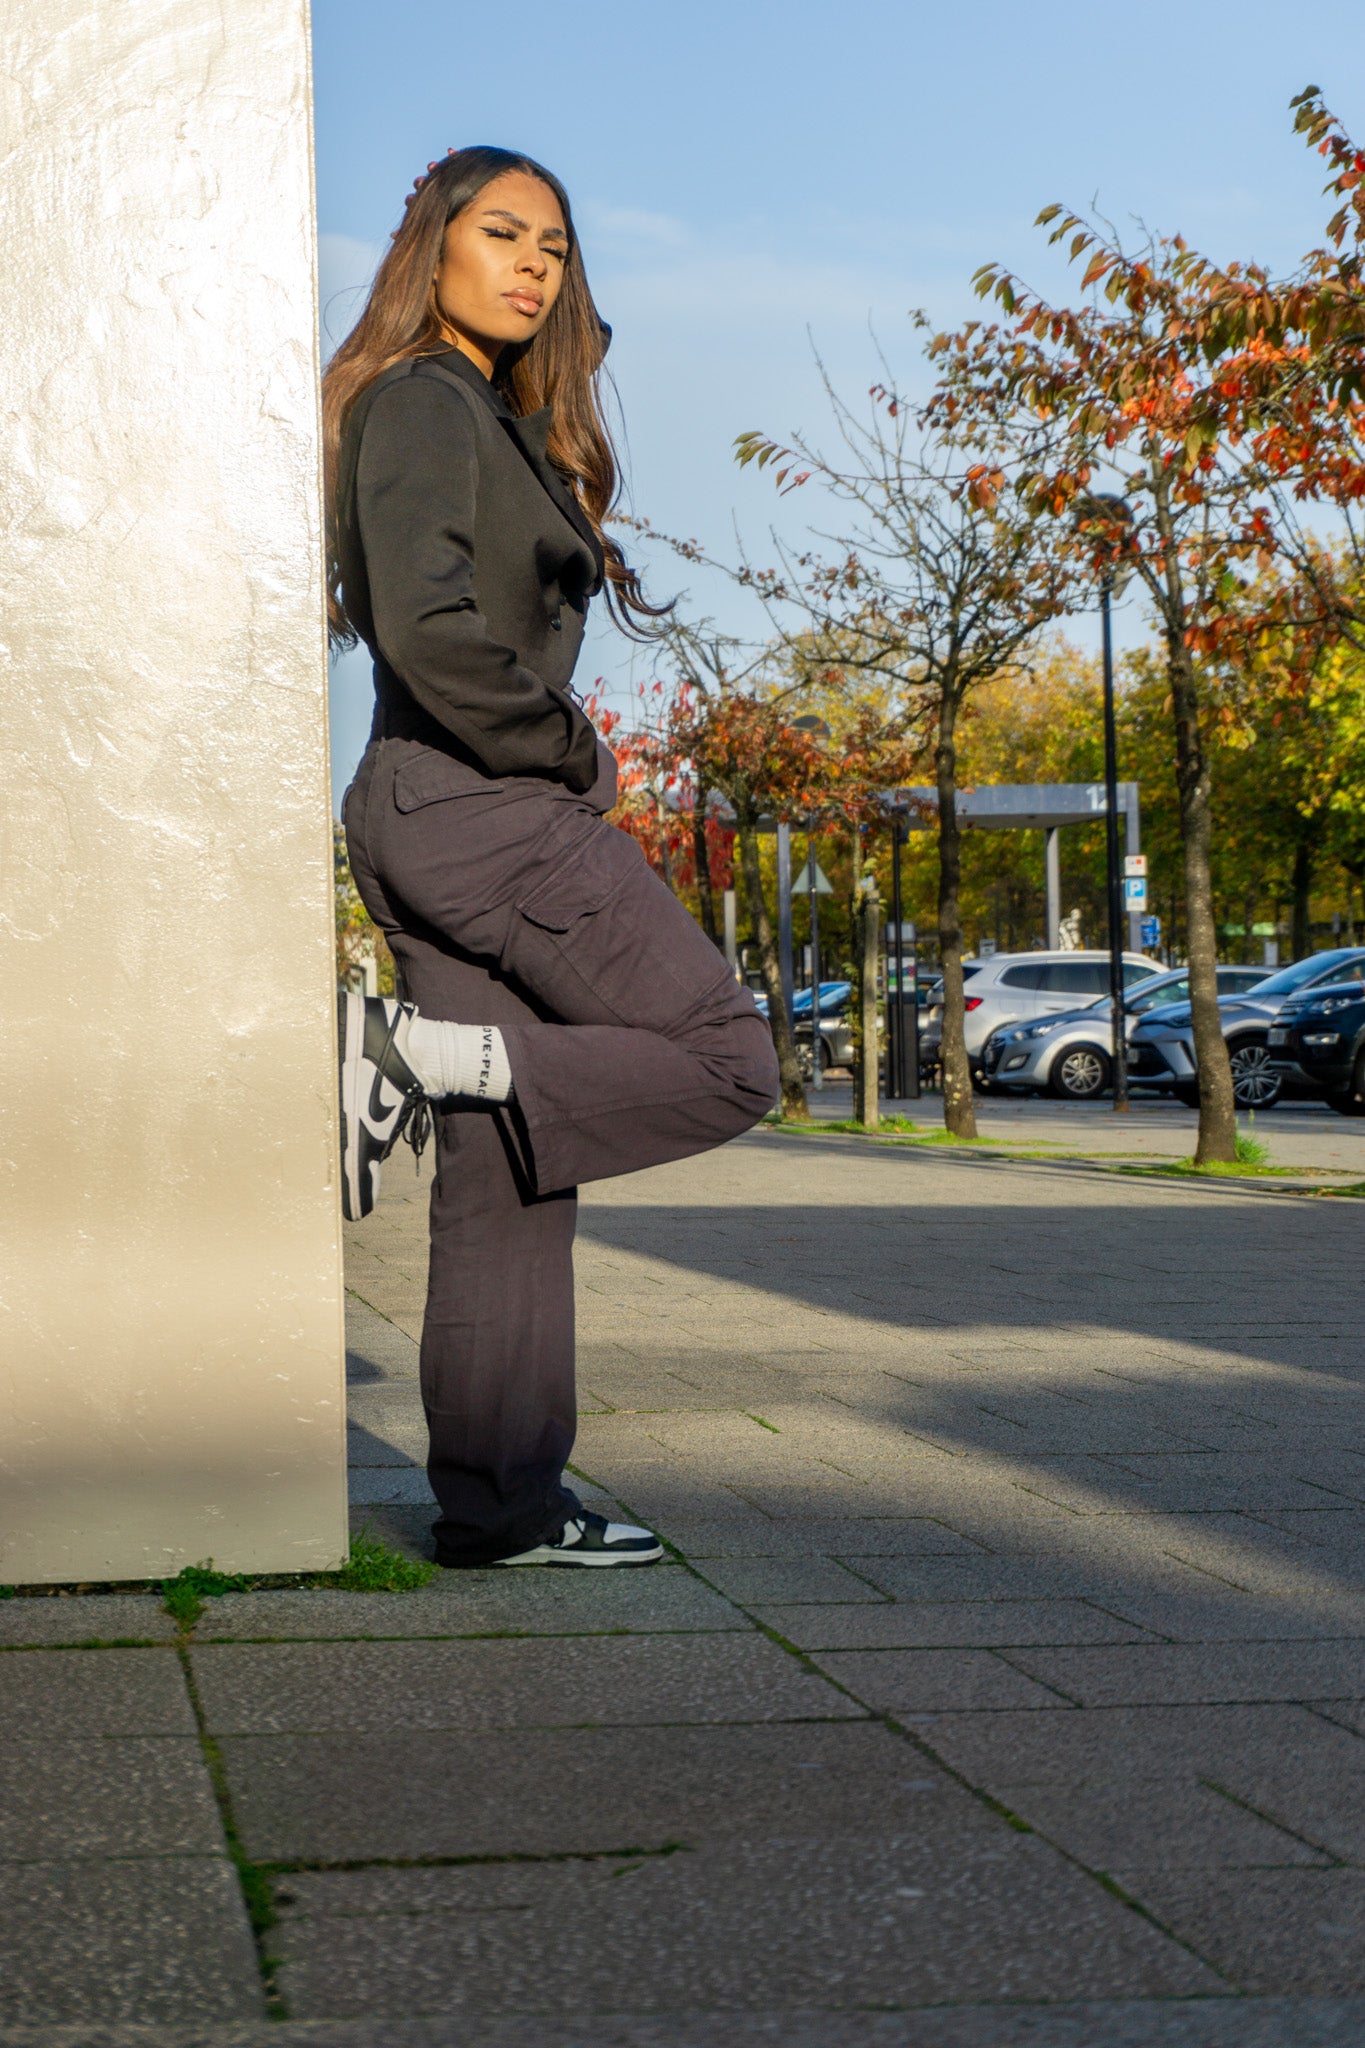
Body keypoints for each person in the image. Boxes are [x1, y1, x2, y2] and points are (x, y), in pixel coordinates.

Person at [325, 146, 778, 1571]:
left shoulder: (479, 414)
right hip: (482, 806)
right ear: (434, 252)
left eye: (556, 248)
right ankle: (415, 1055)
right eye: (502, 233)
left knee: (506, 1178)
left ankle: (499, 1509)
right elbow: (424, 625)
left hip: (433, 810)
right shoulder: (420, 401)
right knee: (727, 1058)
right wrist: (574, 752)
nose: (533, 263)